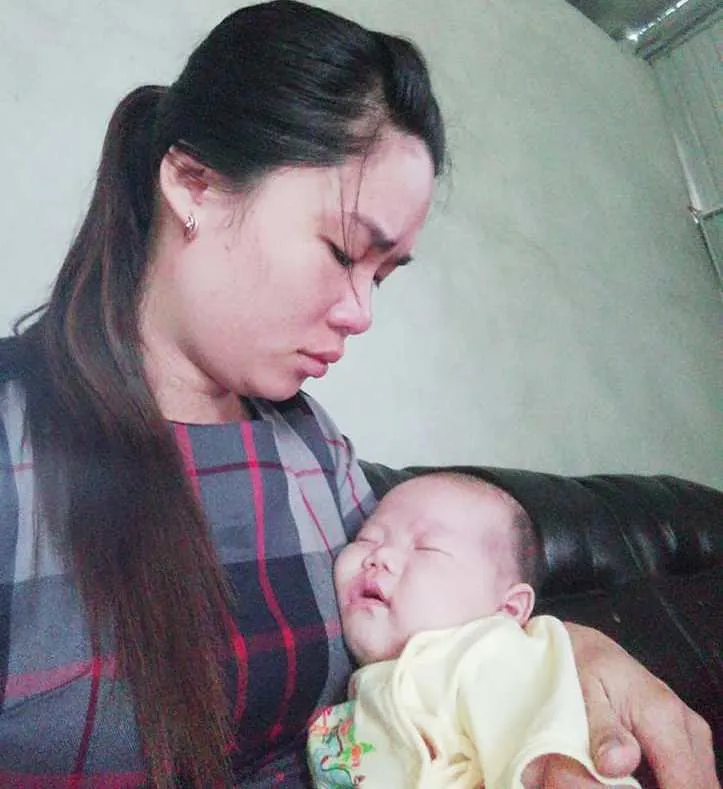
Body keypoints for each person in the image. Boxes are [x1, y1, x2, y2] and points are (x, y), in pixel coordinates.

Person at [0, 1, 716, 787]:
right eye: (344, 251)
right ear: (194, 183)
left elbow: (437, 628)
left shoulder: (313, 448)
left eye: (383, 275)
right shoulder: (16, 442)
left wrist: (566, 651)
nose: (361, 312)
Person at [307, 471, 640, 788]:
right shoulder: (355, 700)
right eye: (367, 538)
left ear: (507, 610)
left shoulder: (484, 655)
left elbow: (551, 757)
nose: (379, 556)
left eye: (426, 548)